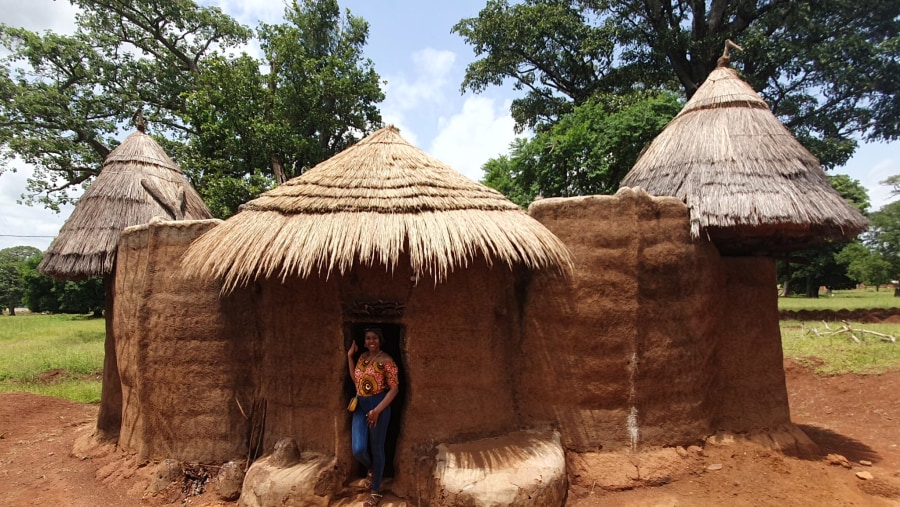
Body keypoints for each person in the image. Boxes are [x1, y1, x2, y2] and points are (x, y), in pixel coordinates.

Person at [347, 327, 399, 507]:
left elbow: (394, 389)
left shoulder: (387, 361)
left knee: (377, 449)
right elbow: (356, 380)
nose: (371, 341)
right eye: (368, 338)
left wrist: (377, 410)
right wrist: (350, 357)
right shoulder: (362, 357)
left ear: (380, 340)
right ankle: (371, 469)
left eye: (374, 338)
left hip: (379, 406)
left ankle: (376, 490)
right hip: (361, 406)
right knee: (358, 449)